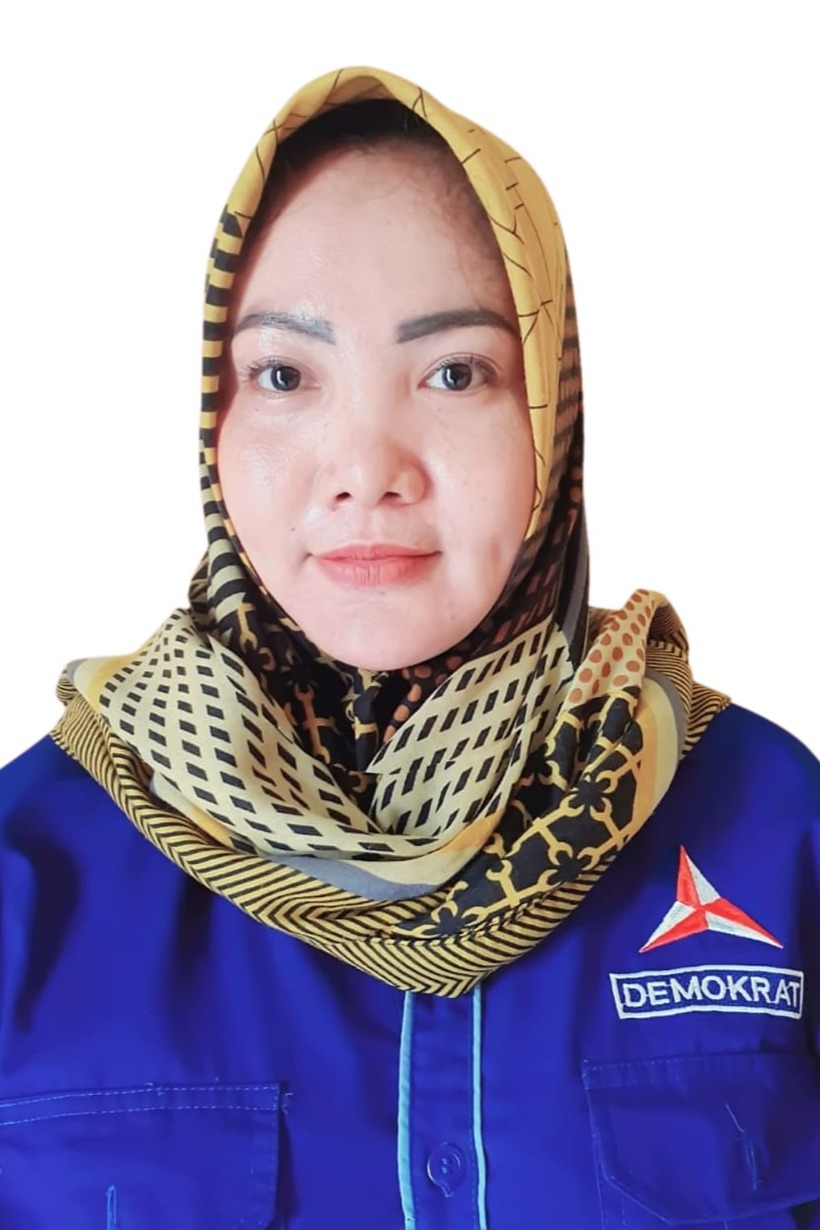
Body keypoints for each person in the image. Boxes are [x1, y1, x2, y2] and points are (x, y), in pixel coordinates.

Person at [0, 64, 818, 1229]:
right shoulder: (31, 874)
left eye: (453, 372)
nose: (364, 467)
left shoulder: (771, 827)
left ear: (551, 414)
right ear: (216, 423)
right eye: (284, 375)